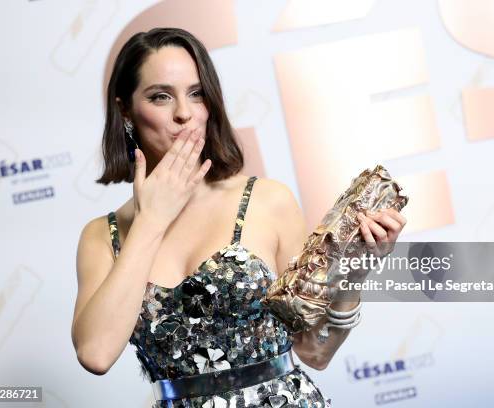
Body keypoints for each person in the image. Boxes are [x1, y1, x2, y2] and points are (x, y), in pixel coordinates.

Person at [70, 27, 407, 408]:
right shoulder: (101, 236)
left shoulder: (267, 201)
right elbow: (95, 353)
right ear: (126, 110)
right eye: (160, 96)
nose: (184, 113)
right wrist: (151, 220)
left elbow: (315, 352)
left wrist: (351, 273)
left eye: (196, 94)